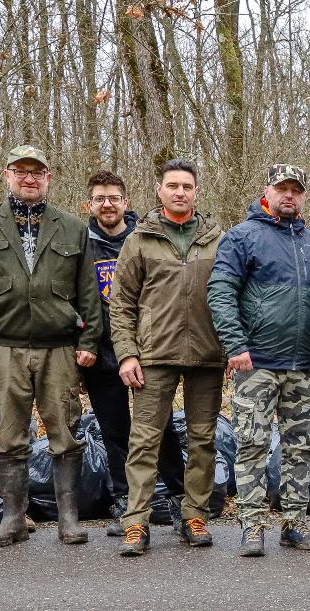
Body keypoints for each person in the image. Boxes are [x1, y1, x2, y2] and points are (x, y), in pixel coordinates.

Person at [0, 145, 102, 548]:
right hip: (4, 346)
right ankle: (13, 518)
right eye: (21, 171)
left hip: (59, 349)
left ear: (48, 178)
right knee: (7, 434)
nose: (29, 178)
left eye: (37, 172)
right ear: (7, 176)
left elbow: (88, 291)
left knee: (66, 432)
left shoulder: (72, 227)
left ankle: (68, 519)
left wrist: (89, 340)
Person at [208, 163, 310, 556]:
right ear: (268, 191)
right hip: (256, 363)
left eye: (296, 190)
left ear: (304, 196)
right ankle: (252, 526)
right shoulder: (242, 237)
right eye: (282, 189)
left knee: (300, 447)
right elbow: (220, 293)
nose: (288, 195)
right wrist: (235, 346)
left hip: (304, 366)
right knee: (252, 445)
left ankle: (294, 523)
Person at [107, 160, 226, 556]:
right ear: (159, 190)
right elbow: (121, 304)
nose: (179, 192)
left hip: (207, 355)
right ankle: (136, 523)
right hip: (153, 354)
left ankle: (195, 516)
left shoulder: (216, 239)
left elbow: (232, 296)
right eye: (172, 185)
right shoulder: (140, 239)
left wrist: (231, 347)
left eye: (187, 186)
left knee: (203, 440)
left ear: (196, 191)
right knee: (144, 440)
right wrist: (127, 354)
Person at [81, 170, 188, 539]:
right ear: (89, 204)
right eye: (100, 198)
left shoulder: (144, 237)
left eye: (114, 198)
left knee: (160, 428)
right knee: (113, 430)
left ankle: (178, 498)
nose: (107, 204)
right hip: (100, 354)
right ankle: (125, 503)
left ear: (126, 202)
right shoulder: (81, 245)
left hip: (148, 351)